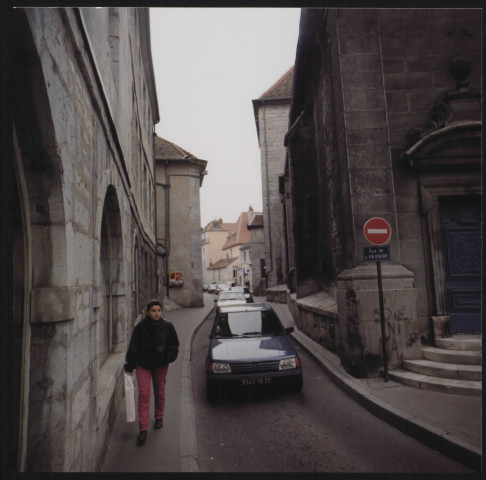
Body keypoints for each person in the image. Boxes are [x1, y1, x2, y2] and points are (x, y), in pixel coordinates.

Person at [124, 299, 180, 446]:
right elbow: (133, 347)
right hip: (143, 364)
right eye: (153, 311)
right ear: (148, 312)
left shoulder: (168, 326)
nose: (156, 313)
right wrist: (130, 364)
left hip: (161, 364)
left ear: (161, 312)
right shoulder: (140, 328)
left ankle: (159, 417)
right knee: (144, 393)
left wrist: (168, 357)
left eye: (159, 311)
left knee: (159, 391)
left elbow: (174, 344)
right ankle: (143, 429)